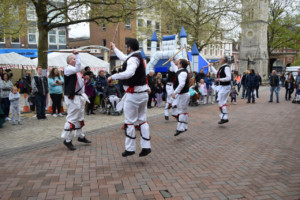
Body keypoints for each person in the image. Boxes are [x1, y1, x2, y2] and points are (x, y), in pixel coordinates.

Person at [108, 39, 151, 157]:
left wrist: (113, 76)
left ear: (130, 48)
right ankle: (146, 146)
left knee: (130, 122)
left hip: (134, 95)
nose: (126, 49)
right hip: (142, 93)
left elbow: (129, 73)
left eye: (127, 47)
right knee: (142, 120)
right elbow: (123, 57)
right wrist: (114, 48)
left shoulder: (133, 59)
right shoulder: (138, 57)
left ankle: (130, 148)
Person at [61, 50, 91, 151]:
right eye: (73, 59)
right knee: (72, 118)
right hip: (73, 97)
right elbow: (78, 67)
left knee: (79, 117)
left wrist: (84, 78)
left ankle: (80, 136)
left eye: (75, 58)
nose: (75, 60)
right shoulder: (68, 69)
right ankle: (67, 140)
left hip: (79, 96)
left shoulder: (75, 71)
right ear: (69, 61)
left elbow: (79, 81)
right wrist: (77, 55)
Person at [169, 58, 190, 136]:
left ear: (181, 65)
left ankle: (180, 128)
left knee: (181, 111)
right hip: (183, 94)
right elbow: (175, 69)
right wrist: (171, 61)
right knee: (183, 111)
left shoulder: (182, 73)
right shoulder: (180, 71)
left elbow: (181, 84)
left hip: (183, 94)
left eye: (178, 63)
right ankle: (184, 127)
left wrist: (175, 92)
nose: (177, 63)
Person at [210, 55, 231, 124]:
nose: (219, 59)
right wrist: (211, 67)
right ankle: (224, 117)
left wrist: (219, 79)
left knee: (221, 102)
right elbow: (217, 73)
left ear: (224, 60)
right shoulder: (222, 67)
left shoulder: (226, 67)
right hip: (222, 86)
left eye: (220, 59)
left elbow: (228, 78)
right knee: (221, 102)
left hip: (225, 86)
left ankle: (225, 117)